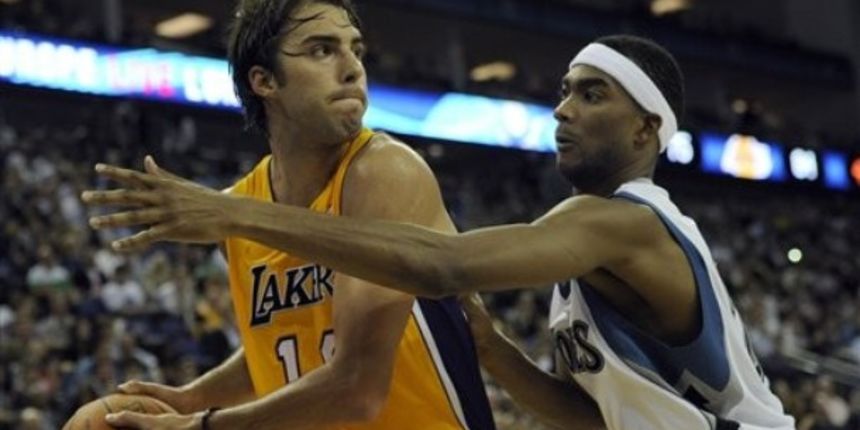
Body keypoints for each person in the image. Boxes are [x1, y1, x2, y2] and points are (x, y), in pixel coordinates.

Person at [83, 35, 797, 429]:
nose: (562, 111)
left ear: (648, 129)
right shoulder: (593, 246)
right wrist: (494, 349)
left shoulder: (624, 223)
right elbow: (590, 421)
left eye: (592, 94)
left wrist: (231, 214)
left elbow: (444, 265)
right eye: (564, 91)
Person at [83, 1, 494, 429]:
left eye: (355, 49)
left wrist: (200, 425)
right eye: (322, 50)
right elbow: (290, 341)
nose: (353, 68)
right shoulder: (241, 208)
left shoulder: (385, 173)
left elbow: (358, 389)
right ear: (264, 81)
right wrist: (193, 397)